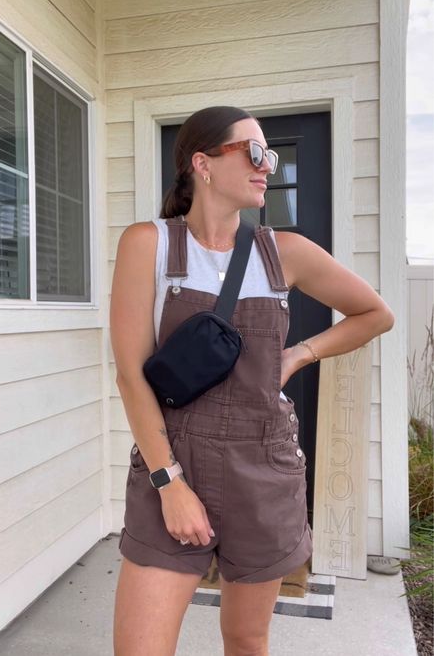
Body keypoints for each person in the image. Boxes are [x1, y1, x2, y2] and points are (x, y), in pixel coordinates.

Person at [110, 106, 394, 656]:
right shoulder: (150, 244)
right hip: (173, 460)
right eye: (255, 152)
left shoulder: (283, 253)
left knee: (245, 640)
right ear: (204, 164)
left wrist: (298, 355)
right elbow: (130, 376)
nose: (269, 164)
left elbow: (375, 314)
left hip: (265, 470)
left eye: (271, 153)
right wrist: (169, 484)